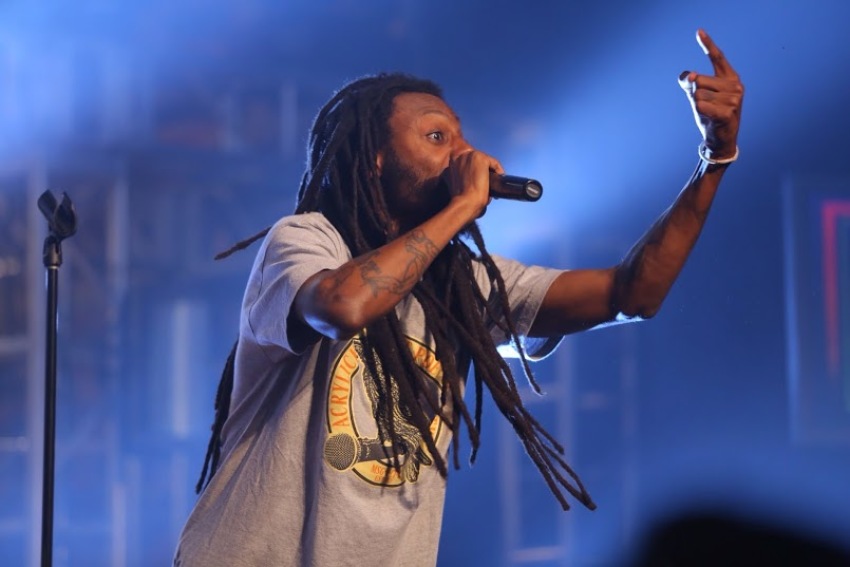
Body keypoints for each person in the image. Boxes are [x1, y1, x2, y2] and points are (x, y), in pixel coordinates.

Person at [173, 29, 743, 566]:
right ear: (375, 156)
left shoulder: (462, 285)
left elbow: (631, 293)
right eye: (436, 136)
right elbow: (342, 307)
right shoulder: (304, 240)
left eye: (462, 137)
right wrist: (462, 208)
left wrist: (713, 160)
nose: (462, 154)